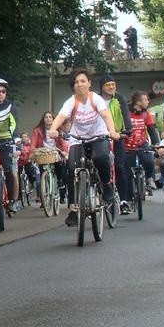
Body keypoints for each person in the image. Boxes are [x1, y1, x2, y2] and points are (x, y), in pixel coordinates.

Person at [47, 69, 120, 227]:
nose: (80, 84)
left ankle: (106, 185)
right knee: (71, 168)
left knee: (101, 157)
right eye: (76, 82)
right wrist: (53, 129)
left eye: (83, 81)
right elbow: (60, 116)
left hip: (98, 136)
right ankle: (74, 209)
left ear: (89, 83)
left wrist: (112, 131)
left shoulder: (96, 99)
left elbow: (106, 115)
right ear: (73, 86)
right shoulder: (71, 102)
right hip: (77, 138)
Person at [99, 74, 133, 215]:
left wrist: (128, 130)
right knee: (100, 163)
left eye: (113, 84)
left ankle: (124, 201)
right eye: (108, 85)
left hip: (117, 135)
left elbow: (125, 114)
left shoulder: (119, 98)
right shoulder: (96, 99)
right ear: (101, 87)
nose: (111, 87)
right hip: (100, 135)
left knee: (119, 166)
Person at [0, 77, 20, 213]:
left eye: (3, 91)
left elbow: (14, 124)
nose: (1, 94)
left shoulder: (11, 106)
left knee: (9, 170)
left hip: (7, 140)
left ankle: (13, 201)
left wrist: (16, 139)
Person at [123, 91, 160, 203]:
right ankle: (128, 199)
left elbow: (151, 129)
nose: (148, 102)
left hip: (141, 143)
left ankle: (149, 177)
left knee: (149, 160)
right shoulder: (126, 113)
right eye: (145, 100)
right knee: (128, 172)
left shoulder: (146, 114)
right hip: (128, 145)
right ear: (138, 102)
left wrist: (156, 144)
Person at [30, 111, 68, 203]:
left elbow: (63, 143)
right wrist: (33, 151)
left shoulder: (57, 130)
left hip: (55, 152)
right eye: (46, 117)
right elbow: (33, 144)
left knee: (59, 167)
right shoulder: (37, 130)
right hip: (43, 153)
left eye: (50, 117)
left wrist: (64, 151)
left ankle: (59, 181)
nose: (48, 119)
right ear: (43, 119)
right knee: (43, 174)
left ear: (53, 119)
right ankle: (44, 197)